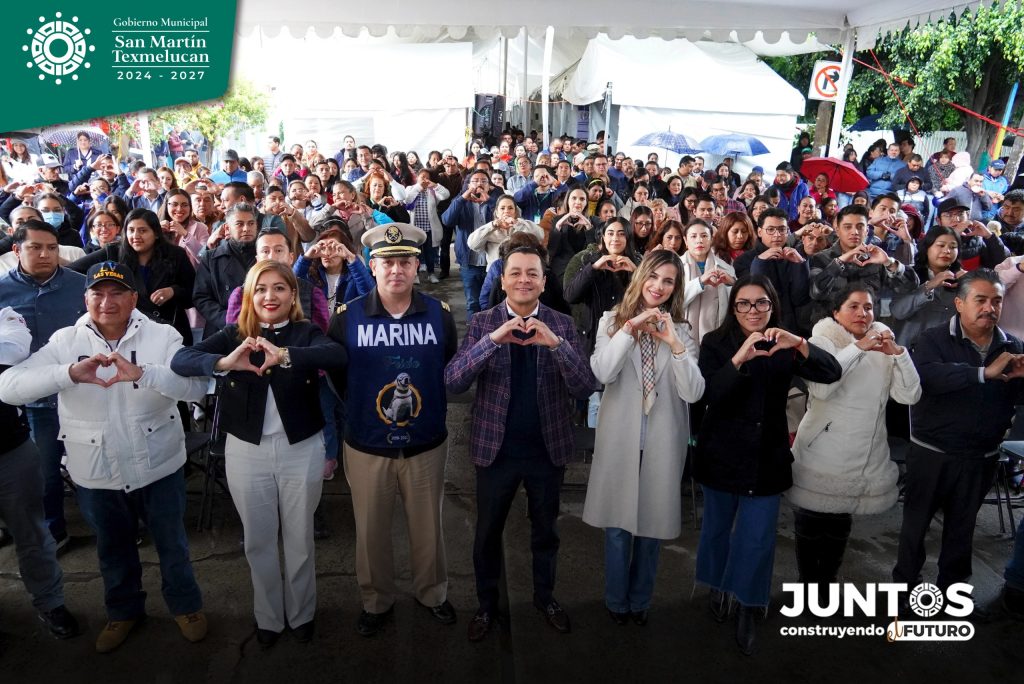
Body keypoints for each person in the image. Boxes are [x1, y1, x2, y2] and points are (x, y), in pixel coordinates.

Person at [0, 261, 209, 653]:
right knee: (112, 549)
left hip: (159, 465)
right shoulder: (65, 341)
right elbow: (8, 387)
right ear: (86, 299)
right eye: (98, 293)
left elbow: (197, 387)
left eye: (117, 293)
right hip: (95, 471)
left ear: (133, 298)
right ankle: (123, 611)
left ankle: (186, 606)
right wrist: (68, 374)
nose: (106, 302)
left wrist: (144, 374)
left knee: (172, 545)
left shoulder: (162, 335)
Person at [171, 260, 345, 647]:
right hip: (246, 451)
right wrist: (222, 362)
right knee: (258, 539)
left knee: (300, 538)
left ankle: (302, 613)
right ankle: (268, 616)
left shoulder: (305, 332)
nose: (270, 296)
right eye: (261, 288)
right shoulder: (235, 334)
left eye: (279, 288)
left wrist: (285, 355)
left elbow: (336, 355)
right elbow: (181, 360)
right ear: (249, 295)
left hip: (301, 448)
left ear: (292, 295)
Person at [445, 245, 596, 642]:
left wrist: (557, 346)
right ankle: (486, 605)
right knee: (487, 534)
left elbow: (585, 385)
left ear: (544, 283)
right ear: (503, 280)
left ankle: (545, 598)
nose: (524, 280)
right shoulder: (483, 322)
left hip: (547, 450)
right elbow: (454, 380)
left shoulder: (561, 324)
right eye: (515, 272)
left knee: (546, 532)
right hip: (496, 451)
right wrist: (492, 341)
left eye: (532, 273)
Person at [693, 275, 841, 655]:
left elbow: (831, 372)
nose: (753, 311)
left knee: (757, 537)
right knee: (716, 529)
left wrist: (801, 344)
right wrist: (739, 358)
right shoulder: (715, 343)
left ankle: (748, 601)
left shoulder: (784, 342)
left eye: (761, 303)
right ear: (733, 308)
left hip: (767, 455)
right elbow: (708, 395)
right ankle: (717, 586)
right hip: (721, 452)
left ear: (772, 305)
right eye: (743, 303)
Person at [326, 224, 459, 637]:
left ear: (417, 266)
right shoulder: (347, 318)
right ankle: (376, 600)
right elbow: (336, 376)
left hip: (425, 442)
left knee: (428, 527)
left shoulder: (439, 315)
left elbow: (447, 366)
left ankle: (432, 593)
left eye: (404, 261)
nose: (396, 270)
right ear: (372, 266)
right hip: (367, 443)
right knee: (370, 531)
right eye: (387, 262)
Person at [583, 250, 704, 625]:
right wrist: (629, 328)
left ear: (675, 288)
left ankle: (640, 601)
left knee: (651, 530)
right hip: (621, 439)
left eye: (668, 281)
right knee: (618, 528)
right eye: (653, 277)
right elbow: (603, 371)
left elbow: (693, 392)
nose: (659, 286)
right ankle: (616, 601)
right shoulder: (611, 321)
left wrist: (675, 344)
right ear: (640, 278)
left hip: (662, 440)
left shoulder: (681, 330)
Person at [892, 270, 1024, 601]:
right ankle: (904, 592)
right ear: (960, 303)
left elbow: (1015, 397)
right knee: (915, 528)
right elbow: (928, 378)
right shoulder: (933, 339)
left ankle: (953, 595)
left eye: (996, 301)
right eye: (980, 300)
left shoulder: (1012, 346)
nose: (989, 308)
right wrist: (982, 373)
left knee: (962, 531)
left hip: (981, 455)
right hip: (932, 453)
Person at [787, 285, 921, 587]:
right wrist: (858, 349)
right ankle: (807, 586)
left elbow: (910, 395)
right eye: (854, 306)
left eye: (869, 307)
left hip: (863, 455)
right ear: (836, 312)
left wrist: (898, 355)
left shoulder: (883, 344)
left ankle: (827, 585)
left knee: (839, 525)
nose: (863, 313)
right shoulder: (821, 341)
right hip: (822, 452)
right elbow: (822, 388)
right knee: (810, 523)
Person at [0, 220, 87, 549]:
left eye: (51, 248)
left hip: (82, 390)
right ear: (16, 250)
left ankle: (114, 526)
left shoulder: (81, 286)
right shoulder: (2, 291)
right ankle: (54, 532)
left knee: (94, 464)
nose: (45, 254)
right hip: (33, 400)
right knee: (45, 472)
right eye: (35, 247)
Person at [0, 306, 80, 640]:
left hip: (10, 451)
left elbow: (15, 349)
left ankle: (50, 602)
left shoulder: (6, 315)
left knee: (33, 534)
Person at [68, 209, 196, 345]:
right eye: (131, 230)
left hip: (170, 329)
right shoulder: (113, 253)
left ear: (156, 233)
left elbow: (194, 294)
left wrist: (173, 291)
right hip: (126, 332)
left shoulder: (176, 255)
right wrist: (100, 291)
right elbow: (71, 271)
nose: (135, 236)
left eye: (142, 231)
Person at [809, 205, 919, 324]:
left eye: (860, 227)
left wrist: (889, 262)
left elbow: (909, 287)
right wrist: (839, 263)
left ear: (867, 230)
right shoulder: (821, 258)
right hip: (831, 327)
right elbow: (816, 292)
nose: (855, 232)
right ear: (837, 230)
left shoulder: (876, 259)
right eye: (847, 227)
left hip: (867, 327)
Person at [563, 218, 638, 357]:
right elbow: (570, 296)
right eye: (610, 233)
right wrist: (593, 268)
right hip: (593, 337)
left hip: (627, 335)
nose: (615, 238)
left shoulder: (638, 262)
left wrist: (635, 272)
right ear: (603, 237)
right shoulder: (585, 259)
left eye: (621, 234)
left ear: (628, 237)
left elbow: (648, 300)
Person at [734, 208, 812, 335]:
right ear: (759, 232)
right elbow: (756, 296)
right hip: (759, 328)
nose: (777, 235)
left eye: (782, 229)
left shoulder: (795, 256)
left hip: (793, 328)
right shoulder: (744, 260)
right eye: (770, 230)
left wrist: (800, 264)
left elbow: (800, 298)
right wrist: (760, 262)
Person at [890, 227, 966, 347]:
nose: (947, 251)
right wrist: (929, 286)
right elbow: (898, 312)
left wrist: (971, 287)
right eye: (941, 245)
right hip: (908, 350)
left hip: (944, 351)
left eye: (953, 247)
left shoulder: (962, 280)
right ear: (927, 248)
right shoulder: (910, 275)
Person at [193, 202, 259, 336]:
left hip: (261, 327)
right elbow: (201, 298)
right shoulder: (211, 258)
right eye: (239, 224)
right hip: (221, 330)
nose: (246, 229)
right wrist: (230, 319)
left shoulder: (266, 256)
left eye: (251, 223)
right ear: (227, 228)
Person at [442, 169, 497, 317]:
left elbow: (504, 217)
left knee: (492, 301)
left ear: (489, 186)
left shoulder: (495, 202)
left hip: (492, 261)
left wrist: (489, 201)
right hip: (469, 261)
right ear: (468, 185)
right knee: (472, 302)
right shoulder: (461, 202)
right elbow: (447, 220)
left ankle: (490, 328)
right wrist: (463, 198)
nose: (479, 184)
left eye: (484, 181)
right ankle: (473, 329)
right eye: (475, 181)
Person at [680, 220, 736, 343]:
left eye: (704, 236)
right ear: (685, 241)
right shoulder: (676, 266)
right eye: (693, 236)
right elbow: (673, 303)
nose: (699, 240)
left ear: (711, 239)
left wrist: (731, 283)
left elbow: (733, 306)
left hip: (716, 332)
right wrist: (699, 282)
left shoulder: (726, 267)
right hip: (682, 334)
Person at [467, 195, 544, 267]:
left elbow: (540, 236)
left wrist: (517, 224)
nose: (506, 211)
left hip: (519, 269)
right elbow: (472, 245)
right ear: (497, 212)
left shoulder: (523, 224)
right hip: (496, 271)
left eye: (510, 208)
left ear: (515, 212)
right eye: (502, 208)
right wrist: (492, 226)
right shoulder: (489, 228)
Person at [404, 168, 451, 283]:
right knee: (414, 253)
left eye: (427, 178)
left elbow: (446, 195)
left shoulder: (432, 191)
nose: (425, 179)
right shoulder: (411, 189)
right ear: (417, 178)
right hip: (415, 229)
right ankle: (415, 275)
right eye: (422, 177)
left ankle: (431, 274)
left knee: (430, 252)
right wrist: (419, 187)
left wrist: (435, 185)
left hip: (429, 228)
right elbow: (407, 200)